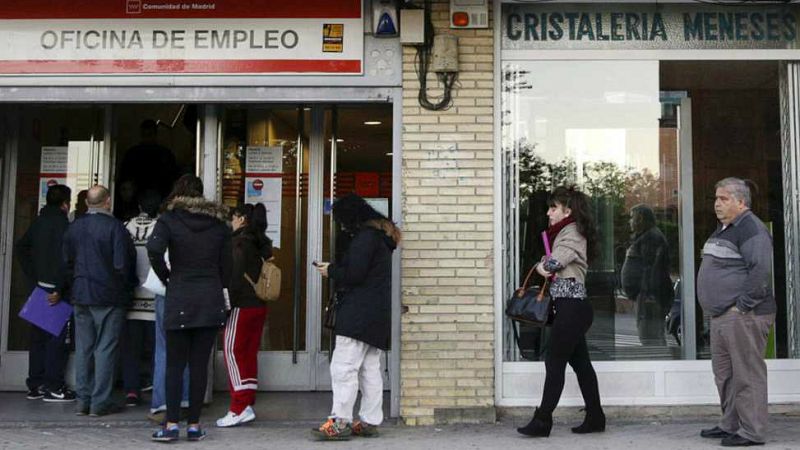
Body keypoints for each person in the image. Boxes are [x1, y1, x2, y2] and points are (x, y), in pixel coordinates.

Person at [147, 174, 231, 442]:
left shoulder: (169, 219)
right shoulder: (219, 224)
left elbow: (154, 249)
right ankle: (194, 425)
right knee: (199, 366)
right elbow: (227, 263)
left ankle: (171, 425)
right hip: (209, 297)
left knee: (174, 364)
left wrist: (167, 277)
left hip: (180, 295)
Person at [312, 194, 401, 440]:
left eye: (341, 220)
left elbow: (354, 274)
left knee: (344, 368)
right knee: (369, 369)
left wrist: (330, 270)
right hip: (376, 313)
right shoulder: (382, 239)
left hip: (357, 313)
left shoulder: (364, 239)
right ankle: (370, 420)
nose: (341, 225)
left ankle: (340, 422)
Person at [517, 186, 604, 438]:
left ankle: (543, 419)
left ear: (568, 211)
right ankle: (596, 417)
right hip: (569, 307)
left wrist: (541, 264)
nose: (548, 213)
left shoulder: (572, 232)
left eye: (553, 208)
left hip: (572, 307)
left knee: (554, 362)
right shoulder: (564, 232)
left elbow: (554, 264)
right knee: (581, 364)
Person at [697, 178, 775, 447]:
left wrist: (740, 306)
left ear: (741, 202)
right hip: (722, 316)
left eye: (724, 199)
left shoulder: (751, 228)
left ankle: (752, 431)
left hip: (744, 315)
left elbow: (761, 271)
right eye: (716, 199)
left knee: (747, 374)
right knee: (725, 374)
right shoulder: (724, 229)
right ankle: (730, 423)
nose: (717, 204)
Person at [63, 185, 137, 416]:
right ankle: (99, 402)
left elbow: (66, 261)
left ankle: (82, 401)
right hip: (109, 296)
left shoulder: (74, 227)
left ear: (87, 203)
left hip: (81, 294)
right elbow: (122, 265)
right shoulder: (116, 228)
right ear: (107, 202)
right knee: (105, 349)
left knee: (84, 348)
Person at [15, 184, 76, 402]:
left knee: (38, 339)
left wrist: (34, 276)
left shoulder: (38, 223)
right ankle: (53, 386)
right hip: (56, 291)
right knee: (56, 341)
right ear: (65, 204)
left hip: (39, 286)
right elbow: (67, 261)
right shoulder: (65, 226)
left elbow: (21, 249)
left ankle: (35, 384)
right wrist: (59, 287)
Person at [216, 203, 273, 428]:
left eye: (233, 218)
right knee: (248, 353)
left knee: (232, 351)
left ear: (241, 218)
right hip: (258, 305)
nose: (231, 222)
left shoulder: (239, 243)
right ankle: (247, 401)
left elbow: (234, 279)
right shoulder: (261, 242)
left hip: (241, 306)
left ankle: (238, 407)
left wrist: (226, 305)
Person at [121, 190, 161, 407]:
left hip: (132, 299)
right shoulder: (160, 228)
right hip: (154, 299)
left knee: (131, 350)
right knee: (156, 348)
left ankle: (131, 390)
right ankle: (156, 385)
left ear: (139, 206)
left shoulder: (126, 226)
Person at [620, 204, 674, 347]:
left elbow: (652, 269)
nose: (629, 221)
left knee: (650, 337)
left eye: (632, 218)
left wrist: (649, 296)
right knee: (649, 336)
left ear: (640, 219)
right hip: (645, 296)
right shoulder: (646, 236)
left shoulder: (651, 238)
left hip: (649, 297)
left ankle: (658, 366)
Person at [116, 119, 179, 218]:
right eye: (145, 135)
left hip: (149, 197)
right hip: (147, 197)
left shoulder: (133, 153)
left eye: (149, 134)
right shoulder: (164, 153)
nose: (147, 138)